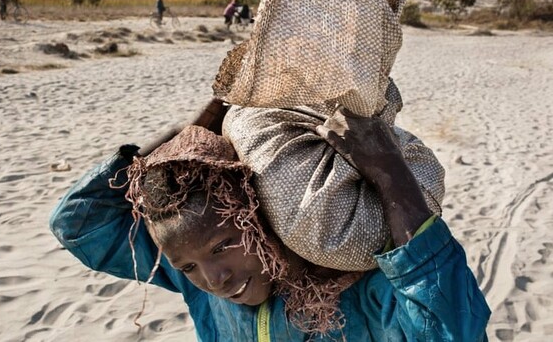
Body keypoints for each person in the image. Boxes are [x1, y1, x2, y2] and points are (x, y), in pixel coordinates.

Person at [49, 99, 491, 341]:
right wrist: (194, 130)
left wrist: (390, 173)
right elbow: (77, 223)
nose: (214, 278)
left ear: (257, 219)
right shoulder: (194, 280)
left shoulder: (360, 290)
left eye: (223, 244)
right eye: (187, 266)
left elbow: (451, 332)